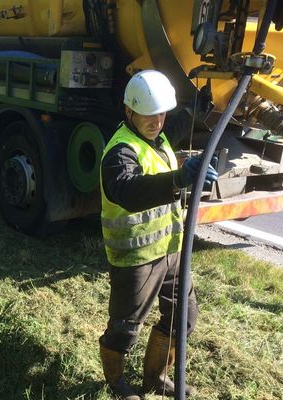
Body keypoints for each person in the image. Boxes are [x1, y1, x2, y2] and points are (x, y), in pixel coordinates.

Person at [98, 70, 218, 399]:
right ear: (129, 112)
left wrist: (198, 108)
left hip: (171, 250)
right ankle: (117, 382)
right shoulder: (120, 152)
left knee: (184, 316)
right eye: (149, 115)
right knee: (124, 328)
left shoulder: (158, 135)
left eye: (161, 113)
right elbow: (128, 190)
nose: (157, 121)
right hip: (136, 258)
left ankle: (155, 377)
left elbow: (178, 122)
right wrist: (179, 179)